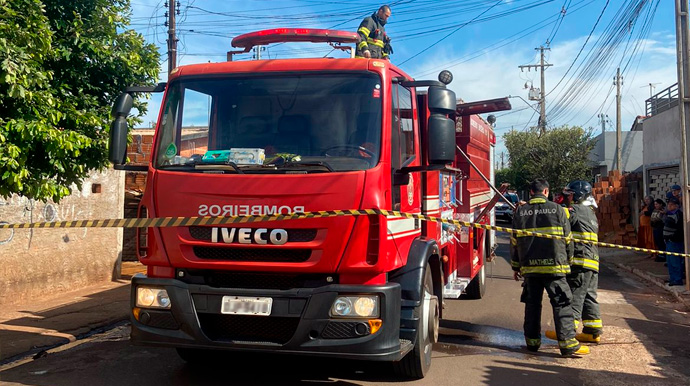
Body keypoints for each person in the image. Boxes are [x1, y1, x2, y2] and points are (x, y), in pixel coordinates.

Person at [510, 179, 589, 356]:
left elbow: (515, 242)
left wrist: (516, 266)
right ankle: (568, 345)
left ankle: (532, 343)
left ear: (531, 192)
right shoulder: (558, 210)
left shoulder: (521, 212)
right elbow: (568, 240)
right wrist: (568, 261)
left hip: (530, 269)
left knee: (532, 305)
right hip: (555, 268)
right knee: (562, 304)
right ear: (546, 191)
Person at [546, 181, 602, 344]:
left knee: (574, 297)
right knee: (589, 296)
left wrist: (533, 209)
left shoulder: (575, 210)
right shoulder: (591, 213)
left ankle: (567, 332)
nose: (567, 197)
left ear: (577, 195)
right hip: (593, 263)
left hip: (580, 262)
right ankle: (592, 331)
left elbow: (558, 217)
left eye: (569, 194)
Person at [663, 197, 685, 286]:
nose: (669, 206)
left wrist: (672, 238)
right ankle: (672, 278)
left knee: (675, 261)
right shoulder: (668, 214)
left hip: (674, 242)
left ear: (676, 206)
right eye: (668, 204)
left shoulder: (679, 215)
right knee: (670, 261)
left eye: (671, 205)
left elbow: (680, 230)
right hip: (668, 241)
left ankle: (677, 279)